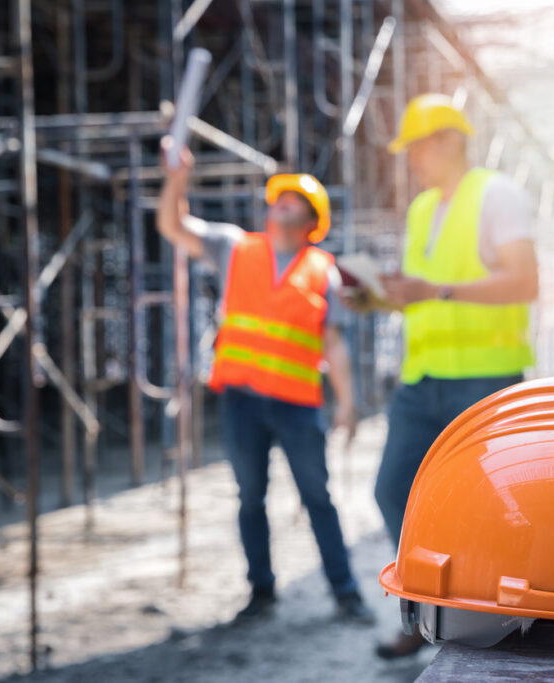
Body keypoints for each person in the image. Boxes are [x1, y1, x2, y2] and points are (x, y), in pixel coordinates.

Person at [351, 94, 539, 658]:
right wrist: (378, 300)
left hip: (484, 382)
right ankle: (423, 613)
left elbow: (525, 282)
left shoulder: (496, 195)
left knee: (489, 508)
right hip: (423, 380)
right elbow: (425, 297)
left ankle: (494, 619)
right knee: (393, 491)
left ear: (450, 141)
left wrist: (436, 290)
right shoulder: (421, 210)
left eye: (417, 146)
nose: (409, 158)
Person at [157, 138, 374, 625]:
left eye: (292, 198)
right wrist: (177, 178)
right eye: (279, 197)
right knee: (249, 498)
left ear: (310, 218)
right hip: (243, 402)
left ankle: (346, 593)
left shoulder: (326, 272)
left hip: (297, 406)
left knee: (317, 498)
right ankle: (262, 592)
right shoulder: (236, 248)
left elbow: (333, 342)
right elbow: (173, 224)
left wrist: (347, 403)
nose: (280, 203)